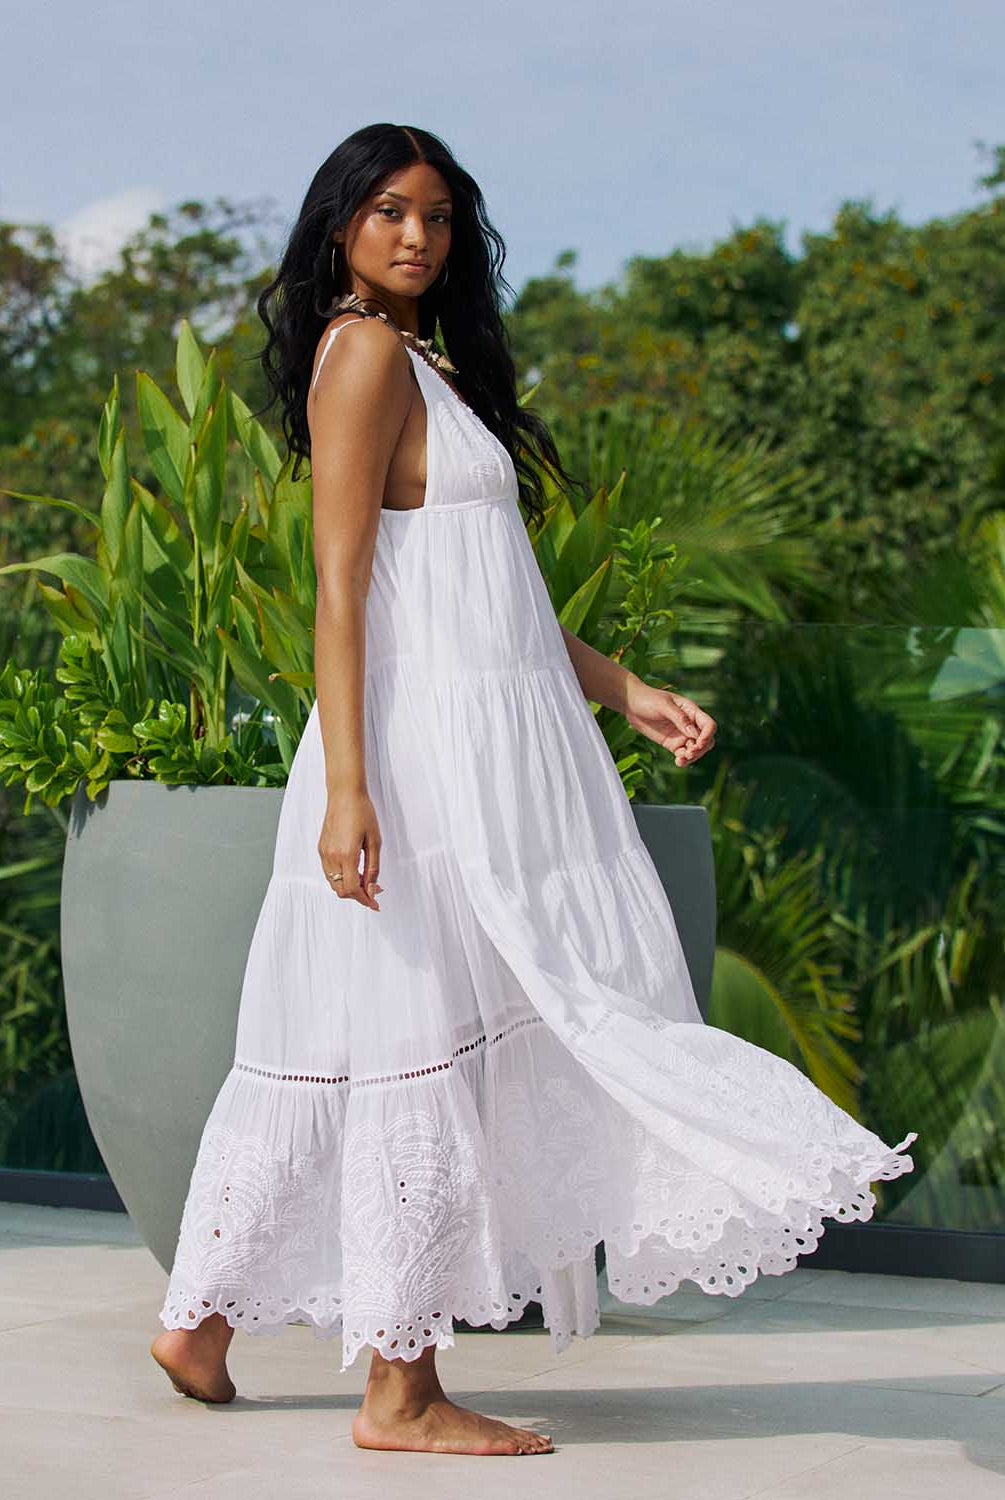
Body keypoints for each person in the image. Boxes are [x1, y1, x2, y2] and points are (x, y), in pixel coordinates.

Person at [149, 123, 917, 1458]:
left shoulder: (425, 368)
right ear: (339, 225)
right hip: (416, 763)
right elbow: (340, 586)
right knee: (420, 1044)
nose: (416, 237)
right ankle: (397, 1393)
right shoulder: (366, 353)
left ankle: (199, 1324)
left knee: (356, 1042)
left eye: (439, 217)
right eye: (388, 211)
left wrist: (619, 688)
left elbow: (474, 593)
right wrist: (347, 788)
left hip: (484, 748)